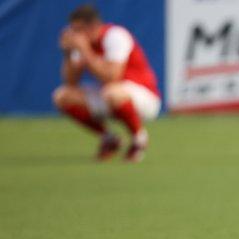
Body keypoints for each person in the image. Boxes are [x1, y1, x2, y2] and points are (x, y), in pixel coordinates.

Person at [52, 4, 161, 162]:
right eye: (73, 29)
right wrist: (67, 54)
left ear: (93, 26)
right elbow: (70, 82)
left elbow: (111, 77)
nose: (75, 34)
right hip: (110, 94)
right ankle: (109, 138)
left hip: (142, 96)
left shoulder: (115, 36)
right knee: (62, 96)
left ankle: (139, 138)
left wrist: (85, 51)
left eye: (78, 29)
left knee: (111, 91)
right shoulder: (81, 45)